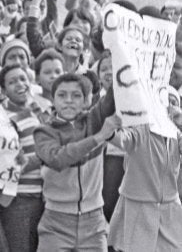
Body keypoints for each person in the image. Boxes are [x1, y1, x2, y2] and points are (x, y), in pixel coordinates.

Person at [34, 73, 117, 251]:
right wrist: (98, 138)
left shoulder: (94, 120)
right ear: (53, 100)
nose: (69, 100)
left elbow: (115, 94)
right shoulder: (43, 131)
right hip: (55, 223)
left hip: (94, 221)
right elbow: (57, 159)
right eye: (62, 95)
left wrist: (122, 62)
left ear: (86, 101)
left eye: (76, 95)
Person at [107, 100, 182, 251]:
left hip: (170, 209)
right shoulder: (140, 130)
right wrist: (109, 128)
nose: (169, 107)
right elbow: (121, 139)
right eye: (163, 102)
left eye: (173, 102)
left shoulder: (176, 134)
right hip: (137, 208)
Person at [0, 64, 44, 252]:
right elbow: (11, 164)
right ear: (3, 90)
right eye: (12, 81)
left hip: (41, 197)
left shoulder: (37, 111)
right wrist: (46, 156)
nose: (20, 84)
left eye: (23, 79)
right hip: (18, 199)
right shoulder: (4, 117)